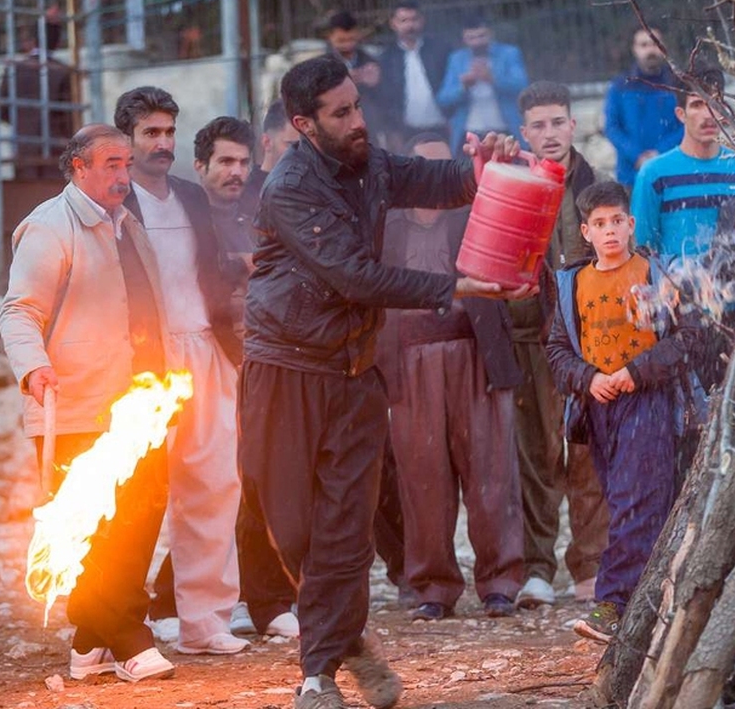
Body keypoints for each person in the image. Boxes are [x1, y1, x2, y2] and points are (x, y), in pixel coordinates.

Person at [238, 54, 530, 709]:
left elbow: (434, 179)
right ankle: (346, 638)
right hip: (283, 371)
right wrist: (452, 286)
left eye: (357, 105)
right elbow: (355, 277)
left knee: (345, 525)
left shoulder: (369, 160)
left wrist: (481, 170)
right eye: (340, 113)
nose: (356, 120)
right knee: (291, 529)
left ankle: (317, 675)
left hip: (351, 372)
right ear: (303, 124)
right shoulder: (289, 187)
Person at [0, 124, 176, 682]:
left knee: (139, 521)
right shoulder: (51, 227)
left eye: (127, 164)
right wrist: (34, 367)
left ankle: (89, 642)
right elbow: (19, 310)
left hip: (140, 408)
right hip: (77, 406)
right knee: (103, 531)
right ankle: (130, 639)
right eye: (111, 165)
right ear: (78, 167)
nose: (124, 176)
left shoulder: (128, 226)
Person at [114, 86, 247, 656]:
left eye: (169, 132)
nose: (163, 143)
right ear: (127, 139)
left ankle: (205, 620)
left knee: (215, 484)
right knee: (132, 497)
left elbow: (213, 272)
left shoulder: (194, 199)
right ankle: (107, 621)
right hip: (139, 363)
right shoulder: (110, 203)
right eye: (151, 133)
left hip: (206, 352)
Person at [545, 181, 703, 644]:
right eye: (600, 224)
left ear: (631, 224)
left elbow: (688, 336)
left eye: (617, 221)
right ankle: (649, 603)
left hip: (647, 398)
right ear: (586, 232)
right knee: (622, 499)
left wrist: (639, 370)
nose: (610, 231)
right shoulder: (573, 283)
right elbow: (556, 349)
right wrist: (588, 378)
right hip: (599, 405)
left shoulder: (656, 273)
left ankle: (611, 605)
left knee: (639, 499)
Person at [378, 134, 525, 621]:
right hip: (410, 362)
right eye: (422, 168)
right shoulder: (386, 227)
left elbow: (515, 276)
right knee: (422, 479)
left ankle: (500, 583)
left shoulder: (475, 216)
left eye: (443, 168)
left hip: (474, 353)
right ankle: (432, 588)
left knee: (491, 473)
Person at [193, 116, 301, 640]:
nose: (235, 173)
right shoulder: (187, 215)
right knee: (211, 487)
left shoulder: (263, 208)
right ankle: (195, 600)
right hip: (206, 363)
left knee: (261, 480)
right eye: (224, 163)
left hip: (266, 360)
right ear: (201, 167)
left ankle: (266, 598)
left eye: (241, 162)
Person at [510, 82, 609, 608]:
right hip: (531, 333)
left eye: (557, 123)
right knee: (539, 450)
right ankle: (537, 568)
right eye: (538, 126)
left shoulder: (598, 188)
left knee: (588, 452)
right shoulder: (515, 185)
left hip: (590, 339)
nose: (549, 134)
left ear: (574, 124)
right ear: (524, 132)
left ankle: (590, 563)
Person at [630, 69, 735, 261]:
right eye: (697, 104)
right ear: (681, 114)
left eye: (714, 103)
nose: (708, 114)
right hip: (676, 286)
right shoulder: (654, 174)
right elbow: (642, 250)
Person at [437, 10, 528, 153]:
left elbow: (522, 87)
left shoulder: (509, 53)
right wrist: (463, 87)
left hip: (505, 130)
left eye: (481, 36)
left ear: (490, 34)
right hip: (469, 133)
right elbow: (443, 98)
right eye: (471, 38)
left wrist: (493, 80)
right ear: (464, 39)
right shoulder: (457, 59)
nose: (477, 42)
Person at [604, 28, 683, 188]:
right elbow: (612, 127)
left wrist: (659, 153)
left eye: (655, 44)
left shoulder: (678, 85)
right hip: (631, 176)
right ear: (635, 49)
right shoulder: (619, 86)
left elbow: (686, 125)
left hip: (672, 173)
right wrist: (636, 155)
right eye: (644, 45)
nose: (650, 50)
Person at [0, 10, 75, 180]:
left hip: (23, 146)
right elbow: (70, 117)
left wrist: (23, 122)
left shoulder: (14, 69)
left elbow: (2, 111)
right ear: (57, 43)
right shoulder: (63, 72)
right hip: (55, 149)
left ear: (31, 41)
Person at [378, 0, 452, 152]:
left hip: (442, 126)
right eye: (404, 20)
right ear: (393, 23)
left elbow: (451, 86)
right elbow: (386, 99)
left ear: (422, 21)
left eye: (414, 19)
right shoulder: (387, 58)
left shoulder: (440, 50)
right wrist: (392, 131)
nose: (410, 26)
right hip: (406, 131)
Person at [325, 11, 387, 144]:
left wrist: (377, 83)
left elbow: (387, 99)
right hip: (335, 131)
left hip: (368, 128)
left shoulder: (371, 61)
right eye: (341, 41)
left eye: (351, 39)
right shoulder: (322, 65)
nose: (347, 45)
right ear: (330, 37)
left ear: (358, 34)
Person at [244, 99, 300, 207]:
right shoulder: (247, 197)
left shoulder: (312, 190)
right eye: (292, 145)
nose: (301, 153)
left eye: (307, 146)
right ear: (267, 142)